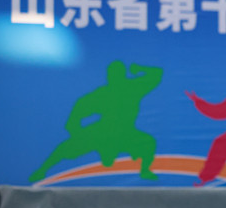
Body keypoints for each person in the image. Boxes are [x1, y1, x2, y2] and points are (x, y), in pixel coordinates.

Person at [29, 61, 161, 182]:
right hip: (101, 131)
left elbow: (157, 73)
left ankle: (144, 171)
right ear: (108, 76)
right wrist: (76, 132)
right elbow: (76, 114)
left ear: (123, 75)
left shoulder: (133, 88)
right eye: (112, 74)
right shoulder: (101, 94)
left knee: (148, 143)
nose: (114, 77)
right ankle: (41, 171)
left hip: (125, 132)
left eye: (118, 73)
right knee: (64, 148)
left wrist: (139, 68)